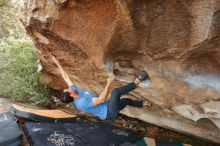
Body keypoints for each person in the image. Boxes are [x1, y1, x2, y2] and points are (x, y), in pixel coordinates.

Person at [52, 56, 149, 120]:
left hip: (108, 106)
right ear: (71, 94)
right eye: (68, 89)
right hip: (109, 112)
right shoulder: (81, 102)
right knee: (116, 92)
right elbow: (101, 99)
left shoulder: (75, 91)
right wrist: (108, 83)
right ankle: (138, 80)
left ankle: (143, 104)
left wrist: (57, 64)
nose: (68, 87)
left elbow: (66, 77)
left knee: (127, 101)